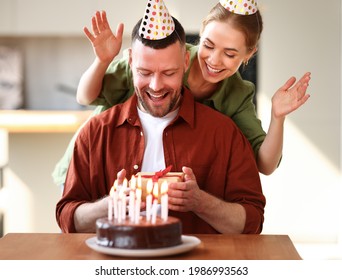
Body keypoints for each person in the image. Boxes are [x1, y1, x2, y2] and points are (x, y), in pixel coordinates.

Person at [55, 3, 265, 235]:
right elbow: (68, 219)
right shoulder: (96, 132)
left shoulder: (225, 132)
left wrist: (200, 202)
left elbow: (252, 222)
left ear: (185, 63)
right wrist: (109, 205)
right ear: (131, 62)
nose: (156, 86)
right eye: (145, 73)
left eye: (169, 73)